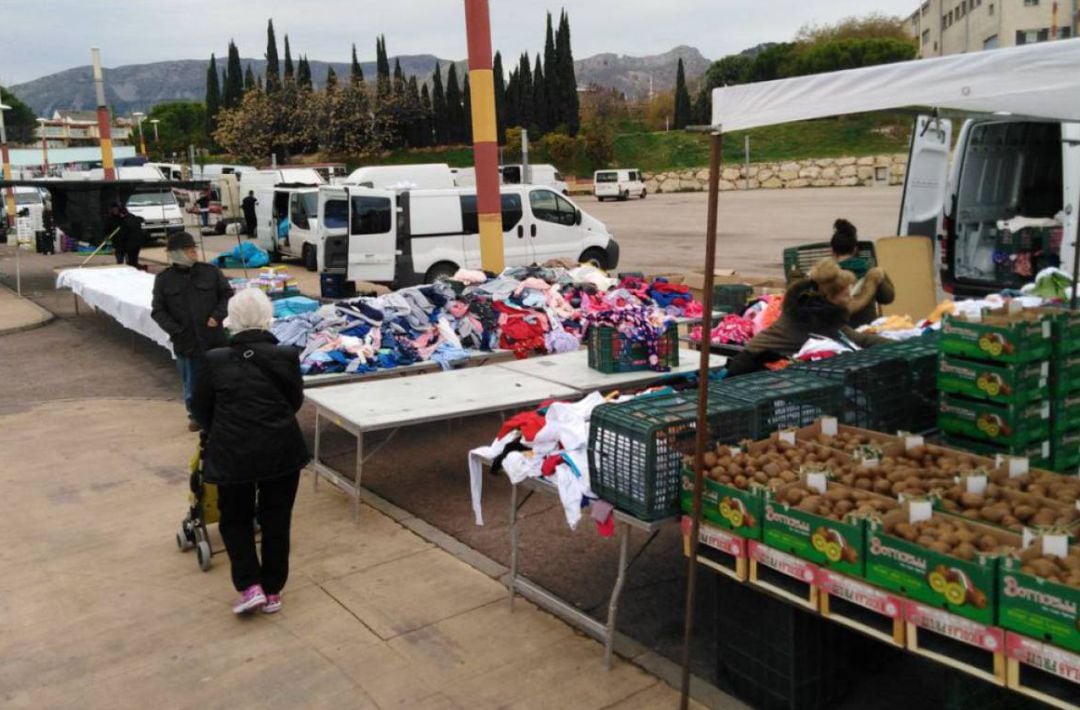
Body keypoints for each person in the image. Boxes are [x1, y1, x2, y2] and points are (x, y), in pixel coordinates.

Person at [191, 288, 309, 615]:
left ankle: (250, 586)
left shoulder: (213, 360)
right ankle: (273, 589)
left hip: (232, 453)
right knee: (276, 518)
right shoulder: (285, 355)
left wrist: (226, 427)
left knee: (235, 519)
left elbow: (201, 409)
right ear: (267, 317)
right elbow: (293, 402)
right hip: (281, 450)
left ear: (232, 320)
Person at [727, 258, 890, 376]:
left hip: (755, 363)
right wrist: (905, 346)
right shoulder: (814, 320)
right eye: (846, 295)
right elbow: (860, 340)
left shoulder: (805, 309)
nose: (849, 299)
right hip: (750, 370)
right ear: (829, 297)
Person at [151, 232, 232, 430]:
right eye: (189, 251)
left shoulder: (210, 272)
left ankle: (222, 412)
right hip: (186, 342)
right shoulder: (164, 280)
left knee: (221, 378)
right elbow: (158, 311)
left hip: (214, 339)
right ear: (176, 254)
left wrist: (217, 316)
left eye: (194, 250)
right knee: (192, 383)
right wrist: (176, 330)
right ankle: (196, 415)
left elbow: (227, 295)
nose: (194, 253)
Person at [830, 218, 894, 328]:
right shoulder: (871, 271)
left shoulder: (827, 274)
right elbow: (888, 298)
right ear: (855, 250)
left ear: (832, 251)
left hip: (838, 330)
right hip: (868, 329)